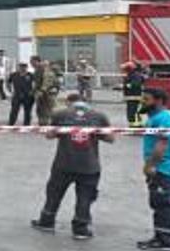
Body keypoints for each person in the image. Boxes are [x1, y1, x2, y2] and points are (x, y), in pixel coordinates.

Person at [30, 93, 113, 239]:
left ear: (69, 102)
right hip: (89, 165)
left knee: (54, 193)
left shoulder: (60, 114)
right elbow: (110, 138)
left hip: (64, 163)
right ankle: (80, 229)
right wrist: (93, 133)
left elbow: (49, 136)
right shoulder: (99, 116)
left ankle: (46, 221)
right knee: (85, 197)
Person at [137, 88, 170, 251]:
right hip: (169, 167)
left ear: (158, 100)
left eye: (146, 99)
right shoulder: (166, 117)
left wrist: (150, 165)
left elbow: (162, 144)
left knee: (162, 202)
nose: (143, 102)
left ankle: (164, 239)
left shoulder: (163, 118)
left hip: (162, 167)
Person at [33, 57, 60, 125]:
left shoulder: (48, 73)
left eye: (44, 64)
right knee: (41, 109)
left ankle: (48, 123)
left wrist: (41, 92)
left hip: (48, 93)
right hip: (44, 93)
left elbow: (47, 83)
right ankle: (42, 122)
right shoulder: (38, 71)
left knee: (48, 109)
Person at [121, 60, 147, 126]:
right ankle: (133, 125)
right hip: (131, 97)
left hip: (134, 97)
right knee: (132, 112)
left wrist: (126, 86)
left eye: (125, 69)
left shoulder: (135, 75)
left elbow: (135, 84)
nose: (124, 71)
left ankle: (135, 125)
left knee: (132, 112)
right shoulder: (132, 74)